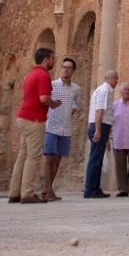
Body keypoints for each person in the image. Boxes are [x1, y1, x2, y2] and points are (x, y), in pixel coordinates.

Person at [8, 47, 61, 204]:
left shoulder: (30, 74)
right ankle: (27, 193)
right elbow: (44, 98)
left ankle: (14, 192)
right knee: (33, 156)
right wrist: (54, 104)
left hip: (23, 116)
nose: (54, 61)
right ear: (46, 59)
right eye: (52, 58)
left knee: (22, 155)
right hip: (34, 119)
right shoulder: (43, 75)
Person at [43, 56, 80, 201]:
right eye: (63, 67)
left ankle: (48, 190)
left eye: (69, 68)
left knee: (58, 159)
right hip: (51, 126)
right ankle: (48, 190)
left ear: (73, 71)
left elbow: (76, 104)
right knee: (49, 158)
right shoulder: (52, 85)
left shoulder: (76, 88)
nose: (65, 70)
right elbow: (45, 100)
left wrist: (70, 113)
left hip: (66, 128)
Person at [84, 69, 118, 198]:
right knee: (95, 159)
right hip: (99, 125)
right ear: (110, 78)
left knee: (98, 159)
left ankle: (95, 188)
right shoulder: (104, 91)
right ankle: (90, 190)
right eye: (116, 79)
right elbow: (99, 111)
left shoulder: (102, 90)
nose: (116, 82)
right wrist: (98, 131)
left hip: (101, 126)